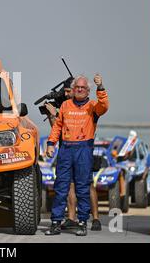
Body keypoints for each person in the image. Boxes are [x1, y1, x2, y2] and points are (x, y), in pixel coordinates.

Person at [44, 74, 109, 236]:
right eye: (77, 87)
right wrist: (51, 144)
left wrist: (100, 87)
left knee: (82, 187)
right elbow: (57, 126)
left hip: (84, 149)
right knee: (61, 187)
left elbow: (104, 106)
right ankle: (55, 222)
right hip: (66, 148)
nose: (79, 89)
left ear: (88, 91)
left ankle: (82, 223)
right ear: (72, 90)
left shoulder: (93, 106)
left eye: (83, 88)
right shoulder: (65, 105)